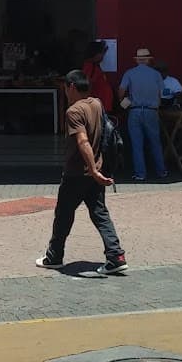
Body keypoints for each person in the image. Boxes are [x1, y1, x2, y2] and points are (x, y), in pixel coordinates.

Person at [36, 70, 127, 275]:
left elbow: (82, 141)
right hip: (97, 170)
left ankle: (54, 256)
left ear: (72, 87)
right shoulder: (96, 103)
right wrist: (98, 169)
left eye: (65, 88)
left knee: (63, 215)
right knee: (100, 213)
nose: (65, 92)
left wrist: (92, 170)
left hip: (77, 173)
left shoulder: (73, 111)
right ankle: (116, 256)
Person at [117, 48, 168, 181]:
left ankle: (140, 174)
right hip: (151, 111)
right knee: (155, 143)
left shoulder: (130, 73)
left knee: (137, 144)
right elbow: (162, 94)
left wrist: (124, 102)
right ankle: (161, 171)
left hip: (135, 110)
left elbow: (121, 91)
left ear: (137, 60)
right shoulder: (156, 74)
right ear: (148, 60)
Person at [82, 40, 115, 112]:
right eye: (102, 53)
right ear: (96, 54)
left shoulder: (95, 66)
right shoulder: (90, 66)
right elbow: (88, 84)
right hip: (98, 107)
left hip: (102, 106)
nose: (103, 56)